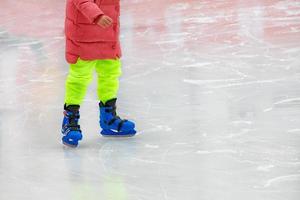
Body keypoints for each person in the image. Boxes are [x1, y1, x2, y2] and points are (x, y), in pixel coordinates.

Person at [61, 0, 136, 147]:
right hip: (83, 37)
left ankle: (109, 117)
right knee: (79, 79)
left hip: (108, 37)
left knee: (110, 75)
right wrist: (97, 16)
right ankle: (70, 119)